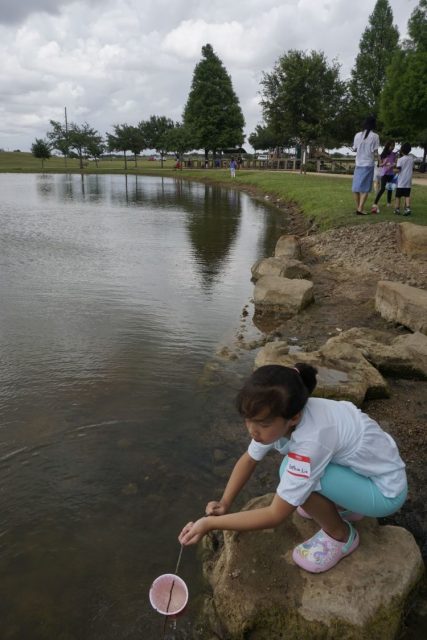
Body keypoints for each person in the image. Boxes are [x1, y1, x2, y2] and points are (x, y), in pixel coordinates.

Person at [179, 364, 407, 574]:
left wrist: (210, 523)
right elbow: (249, 459)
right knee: (294, 478)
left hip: (384, 492)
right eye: (248, 420)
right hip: (363, 472)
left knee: (293, 476)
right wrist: (225, 502)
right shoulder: (287, 412)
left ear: (293, 417)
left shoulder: (312, 441)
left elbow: (274, 514)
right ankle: (344, 504)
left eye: (263, 424)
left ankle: (341, 535)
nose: (252, 431)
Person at [351, 115, 380, 215]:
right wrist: (379, 160)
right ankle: (360, 208)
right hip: (368, 164)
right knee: (365, 188)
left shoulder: (357, 135)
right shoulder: (375, 136)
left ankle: (358, 207)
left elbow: (354, 149)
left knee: (356, 188)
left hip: (358, 163)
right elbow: (375, 152)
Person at [371, 141, 397, 213]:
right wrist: (384, 163)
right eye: (392, 146)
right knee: (382, 188)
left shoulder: (394, 154)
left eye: (394, 146)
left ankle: (389, 203)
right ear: (388, 146)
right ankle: (375, 203)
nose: (393, 147)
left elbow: (395, 162)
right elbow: (380, 165)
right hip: (384, 174)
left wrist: (393, 165)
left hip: (391, 174)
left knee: (390, 189)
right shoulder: (383, 154)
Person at [394, 142, 415, 216]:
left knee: (398, 196)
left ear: (402, 150)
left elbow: (398, 170)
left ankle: (397, 209)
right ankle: (408, 208)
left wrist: (392, 169)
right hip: (408, 180)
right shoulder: (411, 159)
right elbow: (412, 168)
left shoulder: (400, 160)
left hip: (401, 181)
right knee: (407, 195)